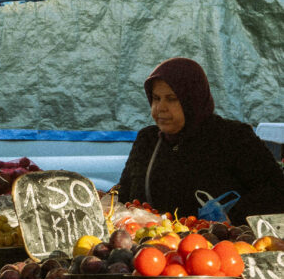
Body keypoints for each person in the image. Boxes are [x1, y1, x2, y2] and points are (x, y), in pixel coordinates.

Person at [117, 56, 284, 225]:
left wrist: (233, 215)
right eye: (156, 98)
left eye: (172, 99)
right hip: (153, 245)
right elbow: (124, 196)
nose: (160, 108)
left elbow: (276, 191)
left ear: (192, 99)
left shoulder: (233, 138)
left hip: (220, 246)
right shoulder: (148, 141)